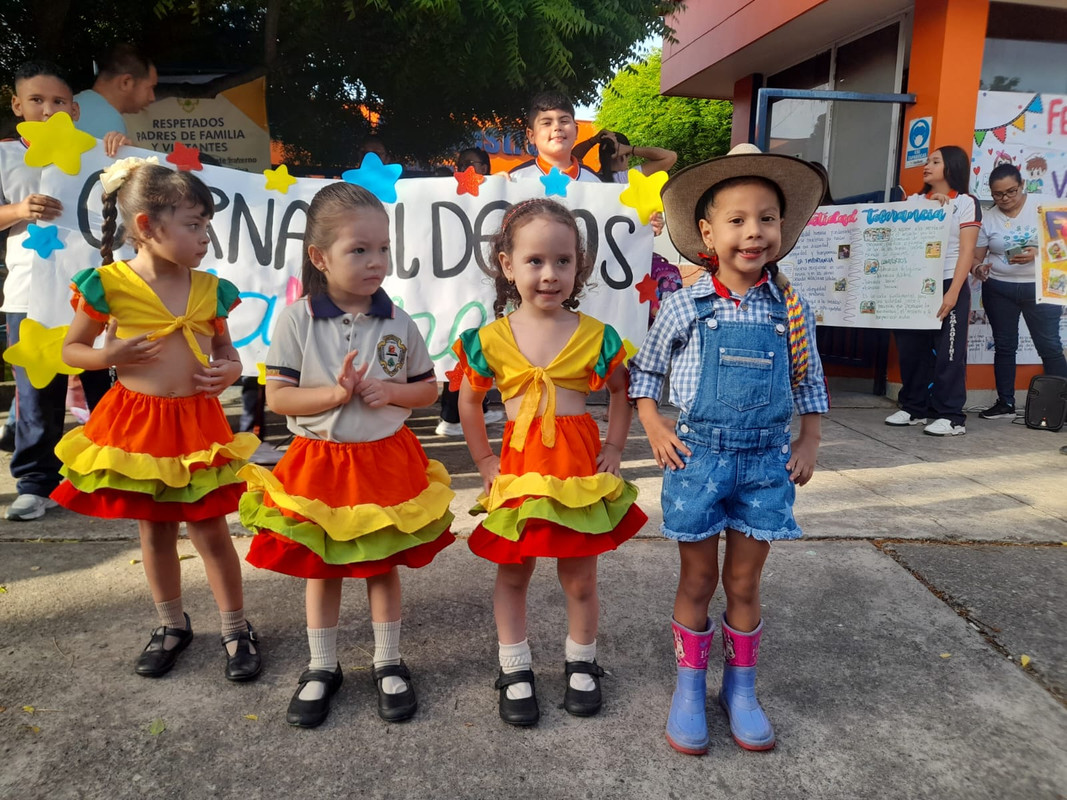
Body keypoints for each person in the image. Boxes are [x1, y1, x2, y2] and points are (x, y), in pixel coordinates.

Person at [629, 143, 829, 754]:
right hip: (697, 460)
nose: (753, 232)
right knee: (697, 579)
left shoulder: (791, 308)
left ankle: (739, 690)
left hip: (767, 464)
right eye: (737, 220)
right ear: (707, 234)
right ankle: (689, 688)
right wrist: (654, 426)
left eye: (766, 218)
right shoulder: (684, 304)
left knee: (744, 582)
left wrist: (809, 438)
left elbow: (809, 381)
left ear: (782, 228)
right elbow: (646, 373)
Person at [239, 182, 455, 729]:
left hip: (385, 459)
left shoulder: (398, 321)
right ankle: (322, 664)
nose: (375, 261)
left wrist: (393, 392)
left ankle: (388, 660)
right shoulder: (297, 320)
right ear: (320, 257)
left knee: (381, 564)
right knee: (323, 566)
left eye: (382, 248)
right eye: (359, 250)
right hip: (321, 461)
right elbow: (278, 398)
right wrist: (334, 395)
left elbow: (428, 389)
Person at [52, 159, 262, 682]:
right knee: (155, 530)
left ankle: (236, 627)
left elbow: (227, 352)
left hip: (197, 424)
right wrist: (108, 354)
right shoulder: (108, 285)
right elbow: (72, 349)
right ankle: (171, 624)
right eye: (193, 224)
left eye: (207, 224)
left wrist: (228, 370)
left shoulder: (211, 289)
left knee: (211, 529)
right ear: (146, 226)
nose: (205, 236)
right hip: (138, 426)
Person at [452, 198, 647, 726]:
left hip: (577, 470)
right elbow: (470, 402)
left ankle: (582, 661)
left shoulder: (596, 335)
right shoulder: (490, 339)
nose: (549, 274)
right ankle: (514, 667)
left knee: (580, 577)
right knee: (513, 573)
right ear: (507, 265)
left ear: (578, 266)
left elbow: (621, 392)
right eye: (535, 261)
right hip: (519, 469)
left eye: (563, 261)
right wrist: (483, 458)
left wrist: (614, 447)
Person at [1, 61, 127, 521]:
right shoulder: (4, 156)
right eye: (36, 100)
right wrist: (19, 209)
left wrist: (123, 157)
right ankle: (36, 483)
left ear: (74, 110)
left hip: (93, 292)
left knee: (106, 386)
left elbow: (138, 200)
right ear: (17, 105)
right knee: (38, 392)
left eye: (58, 101)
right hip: (28, 293)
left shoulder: (99, 153)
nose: (48, 109)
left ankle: (118, 472)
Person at [886, 146, 981, 436]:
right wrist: (929, 209)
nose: (927, 166)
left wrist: (953, 293)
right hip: (913, 284)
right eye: (927, 161)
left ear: (952, 167)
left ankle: (951, 416)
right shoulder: (913, 201)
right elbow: (895, 235)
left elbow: (967, 251)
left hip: (949, 281)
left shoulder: (966, 202)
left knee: (949, 353)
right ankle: (914, 408)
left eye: (935, 161)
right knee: (911, 349)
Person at [971, 163, 1067, 419]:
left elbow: (1063, 244)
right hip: (999, 289)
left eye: (1011, 192)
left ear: (1022, 185)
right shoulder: (988, 217)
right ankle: (1005, 403)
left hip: (1040, 288)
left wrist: (1039, 252)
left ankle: (1061, 407)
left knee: (1049, 346)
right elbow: (976, 257)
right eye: (998, 194)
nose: (1005, 199)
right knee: (1004, 346)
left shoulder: (1045, 206)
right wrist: (978, 268)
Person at [436, 147, 505, 435]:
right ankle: (453, 415)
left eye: (473, 164)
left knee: (475, 346)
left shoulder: (499, 194)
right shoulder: (448, 195)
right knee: (461, 345)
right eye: (461, 164)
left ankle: (473, 409)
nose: (466, 169)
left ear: (487, 167)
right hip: (459, 285)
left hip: (483, 285)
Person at [508, 92, 601, 183]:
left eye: (564, 121)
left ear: (576, 131)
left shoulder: (595, 182)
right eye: (547, 123)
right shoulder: (515, 180)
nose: (557, 127)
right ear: (531, 135)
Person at [73, 44, 157, 138]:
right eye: (150, 88)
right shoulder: (110, 123)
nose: (152, 97)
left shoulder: (73, 103)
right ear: (126, 82)